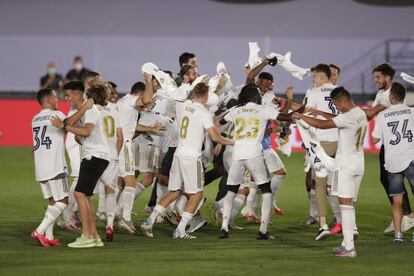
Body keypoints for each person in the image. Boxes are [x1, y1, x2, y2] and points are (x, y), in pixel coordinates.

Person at [140, 83, 233, 239]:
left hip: (178, 154)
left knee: (175, 191)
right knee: (197, 194)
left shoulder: (186, 105)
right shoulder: (204, 113)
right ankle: (181, 230)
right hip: (192, 157)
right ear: (205, 96)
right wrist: (233, 142)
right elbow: (215, 137)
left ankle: (149, 221)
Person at [293, 86, 368, 257]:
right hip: (359, 164)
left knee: (345, 206)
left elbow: (322, 125)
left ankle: (349, 248)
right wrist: (319, 112)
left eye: (337, 104)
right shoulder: (360, 113)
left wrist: (301, 116)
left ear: (343, 101)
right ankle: (346, 243)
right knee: (349, 205)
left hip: (346, 166)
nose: (337, 107)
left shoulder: (347, 117)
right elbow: (337, 118)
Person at [217, 84, 293, 240]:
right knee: (266, 190)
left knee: (231, 190)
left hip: (237, 153)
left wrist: (222, 140)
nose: (260, 95)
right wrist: (300, 113)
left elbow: (219, 123)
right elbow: (285, 117)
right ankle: (263, 231)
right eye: (258, 93)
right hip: (253, 154)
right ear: (254, 96)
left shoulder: (236, 110)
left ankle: (224, 228)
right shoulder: (262, 109)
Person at [51, 82, 110, 248]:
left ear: (78, 94)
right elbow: (73, 127)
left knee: (79, 193)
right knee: (86, 197)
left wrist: (65, 126)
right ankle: (95, 236)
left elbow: (86, 131)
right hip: (95, 155)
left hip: (95, 155)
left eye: (68, 95)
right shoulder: (84, 109)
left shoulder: (90, 109)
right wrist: (71, 127)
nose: (66, 98)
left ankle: (86, 236)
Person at [372, 63, 414, 234]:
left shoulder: (394, 94)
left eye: (378, 77)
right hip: (389, 145)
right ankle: (405, 215)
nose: (376, 80)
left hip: (399, 146)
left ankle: (408, 216)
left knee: (395, 180)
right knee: (385, 179)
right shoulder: (381, 93)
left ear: (388, 77)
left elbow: (375, 112)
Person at [115, 74, 156, 234]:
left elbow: (131, 125)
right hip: (124, 145)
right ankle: (125, 218)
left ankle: (108, 214)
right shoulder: (133, 100)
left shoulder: (123, 100)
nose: (146, 106)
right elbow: (145, 101)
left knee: (118, 181)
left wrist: (150, 129)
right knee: (130, 182)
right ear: (139, 94)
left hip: (118, 144)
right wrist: (149, 82)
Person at [304, 64, 339, 240]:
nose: (313, 79)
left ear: (321, 77)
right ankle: (349, 225)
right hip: (341, 143)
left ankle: (323, 224)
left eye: (315, 76)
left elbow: (308, 116)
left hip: (323, 143)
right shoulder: (340, 91)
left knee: (319, 184)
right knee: (340, 185)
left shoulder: (314, 93)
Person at [31, 88, 68, 247]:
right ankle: (39, 231)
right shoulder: (58, 115)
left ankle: (49, 235)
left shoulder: (35, 118)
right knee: (63, 201)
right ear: (47, 100)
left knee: (53, 202)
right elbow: (70, 126)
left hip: (41, 167)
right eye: (55, 97)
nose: (57, 99)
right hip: (55, 165)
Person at [87, 84, 123, 242]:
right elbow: (120, 137)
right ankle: (109, 224)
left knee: (85, 193)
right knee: (110, 192)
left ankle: (88, 227)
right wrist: (115, 154)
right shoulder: (114, 112)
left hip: (95, 155)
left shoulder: (91, 112)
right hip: (112, 156)